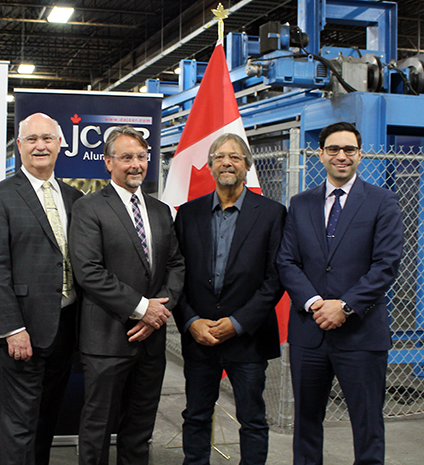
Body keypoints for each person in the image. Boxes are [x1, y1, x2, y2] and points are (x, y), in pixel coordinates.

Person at [277, 122, 404, 465]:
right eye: (333, 149)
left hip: (362, 335)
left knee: (367, 426)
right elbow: (287, 261)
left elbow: (386, 264)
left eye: (349, 149)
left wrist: (345, 306)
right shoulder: (300, 204)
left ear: (360, 155)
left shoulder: (382, 201)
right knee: (306, 425)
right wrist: (317, 303)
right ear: (320, 154)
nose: (341, 156)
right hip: (310, 333)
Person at [69, 125, 185, 464]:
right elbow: (88, 270)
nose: (135, 164)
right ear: (108, 162)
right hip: (106, 340)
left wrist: (159, 311)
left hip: (151, 341)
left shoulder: (161, 211)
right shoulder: (89, 208)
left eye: (141, 157)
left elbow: (176, 265)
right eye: (126, 157)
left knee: (140, 427)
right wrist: (141, 308)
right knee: (98, 427)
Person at [173, 133, 286, 465]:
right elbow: (175, 275)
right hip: (200, 338)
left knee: (252, 420)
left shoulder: (272, 214)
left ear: (247, 166)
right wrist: (191, 321)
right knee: (195, 416)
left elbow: (275, 278)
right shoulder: (188, 214)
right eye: (220, 156)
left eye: (235, 157)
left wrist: (237, 324)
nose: (227, 162)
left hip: (248, 339)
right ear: (209, 166)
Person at [0, 113, 83, 465]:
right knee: (18, 425)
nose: (41, 145)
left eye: (48, 139)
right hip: (20, 330)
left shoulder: (75, 198)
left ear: (59, 145)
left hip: (65, 327)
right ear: (19, 146)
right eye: (32, 139)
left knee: (45, 420)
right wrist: (12, 328)